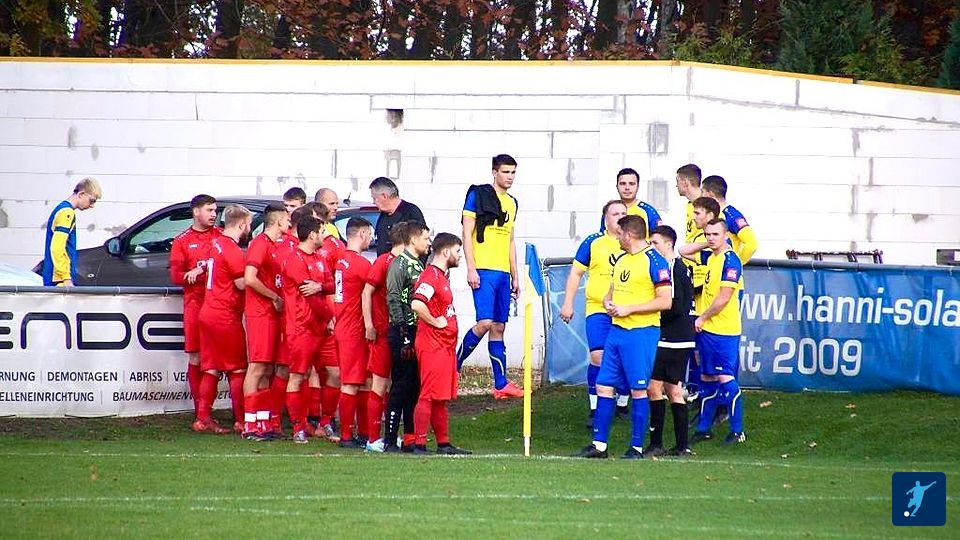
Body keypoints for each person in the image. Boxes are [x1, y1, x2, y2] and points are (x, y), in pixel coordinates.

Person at [576, 215, 672, 459]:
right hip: (616, 332)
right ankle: (599, 445)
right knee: (603, 385)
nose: (616, 238)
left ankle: (636, 447)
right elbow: (611, 291)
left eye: (619, 234)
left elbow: (665, 301)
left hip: (641, 333)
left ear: (628, 235)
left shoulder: (655, 260)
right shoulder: (621, 259)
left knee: (638, 389)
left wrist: (630, 309)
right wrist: (608, 301)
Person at [456, 154, 524, 398]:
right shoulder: (478, 195)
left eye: (513, 172)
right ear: (495, 172)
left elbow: (511, 240)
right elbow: (466, 233)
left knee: (499, 326)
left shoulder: (513, 203)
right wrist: (471, 268)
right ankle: (454, 366)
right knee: (484, 322)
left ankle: (501, 384)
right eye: (505, 172)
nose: (510, 177)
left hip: (503, 273)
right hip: (483, 270)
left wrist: (515, 275)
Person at [560, 200, 631, 427]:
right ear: (605, 218)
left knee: (625, 358)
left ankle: (622, 403)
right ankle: (595, 407)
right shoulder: (593, 242)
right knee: (598, 356)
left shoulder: (635, 243)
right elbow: (575, 273)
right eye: (615, 214)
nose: (620, 217)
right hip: (598, 309)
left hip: (627, 311)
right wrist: (568, 303)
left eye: (623, 213)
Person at [681, 219, 746, 446]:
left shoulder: (731, 261)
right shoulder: (711, 257)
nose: (711, 238)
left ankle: (737, 430)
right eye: (707, 234)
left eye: (715, 234)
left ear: (726, 235)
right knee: (706, 378)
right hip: (707, 329)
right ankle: (703, 429)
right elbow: (683, 250)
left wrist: (702, 317)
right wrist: (705, 243)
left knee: (725, 378)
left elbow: (724, 297)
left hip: (724, 331)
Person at [410, 232, 472, 455]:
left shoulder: (441, 277)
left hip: (444, 346)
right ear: (445, 252)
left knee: (440, 397)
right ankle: (419, 443)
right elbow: (417, 304)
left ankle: (443, 443)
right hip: (432, 344)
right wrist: (436, 322)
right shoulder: (430, 276)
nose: (460, 255)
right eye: (457, 251)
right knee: (428, 394)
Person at [195, 204, 253, 435]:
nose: (249, 229)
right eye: (249, 224)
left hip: (208, 311)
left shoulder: (215, 243)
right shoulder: (231, 249)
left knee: (210, 368)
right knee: (237, 368)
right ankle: (241, 420)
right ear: (242, 224)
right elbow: (241, 283)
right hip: (224, 315)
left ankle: (202, 418)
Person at [170, 194, 221, 429]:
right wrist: (194, 274)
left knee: (216, 360)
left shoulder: (220, 236)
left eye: (215, 210)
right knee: (197, 357)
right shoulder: (182, 241)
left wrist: (204, 271)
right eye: (209, 210)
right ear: (196, 212)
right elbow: (176, 276)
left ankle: (206, 414)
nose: (214, 215)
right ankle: (200, 412)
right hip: (194, 305)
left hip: (218, 306)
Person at [281, 215, 334, 443]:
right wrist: (330, 317)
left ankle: (325, 422)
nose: (325, 235)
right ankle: (298, 427)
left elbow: (332, 285)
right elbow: (309, 297)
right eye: (322, 232)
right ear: (312, 235)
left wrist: (320, 286)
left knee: (334, 373)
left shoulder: (320, 258)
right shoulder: (295, 260)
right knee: (297, 375)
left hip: (321, 327)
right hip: (302, 327)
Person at [645, 225, 696, 457]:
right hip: (679, 337)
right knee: (671, 389)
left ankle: (658, 443)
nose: (651, 247)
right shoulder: (678, 267)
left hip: (672, 338)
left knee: (655, 387)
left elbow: (674, 306)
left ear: (669, 244)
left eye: (655, 243)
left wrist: (651, 318)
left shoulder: (673, 267)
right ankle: (681, 445)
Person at [240, 203, 289, 440]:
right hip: (259, 313)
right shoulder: (260, 243)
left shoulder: (274, 245)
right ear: (278, 220)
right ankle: (249, 424)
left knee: (267, 369)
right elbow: (250, 278)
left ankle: (262, 422)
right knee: (257, 367)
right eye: (286, 219)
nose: (289, 223)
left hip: (271, 314)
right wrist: (274, 297)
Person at [383, 221, 431, 452]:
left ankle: (410, 438)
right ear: (413, 239)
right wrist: (402, 330)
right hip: (402, 330)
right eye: (425, 238)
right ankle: (390, 439)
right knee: (400, 386)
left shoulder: (419, 264)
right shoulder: (399, 264)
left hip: (417, 330)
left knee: (414, 386)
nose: (429, 243)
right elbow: (393, 297)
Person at [361, 223, 408, 452]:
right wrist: (369, 324)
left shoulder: (406, 264)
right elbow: (366, 292)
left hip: (399, 333)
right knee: (379, 383)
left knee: (393, 384)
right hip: (382, 332)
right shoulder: (383, 262)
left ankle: (390, 435)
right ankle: (372, 439)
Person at [333, 216, 375, 448]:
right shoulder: (360, 264)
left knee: (362, 381)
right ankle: (347, 435)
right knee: (350, 382)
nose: (371, 239)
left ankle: (363, 433)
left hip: (344, 325)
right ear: (361, 234)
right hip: (354, 330)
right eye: (370, 234)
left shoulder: (341, 260)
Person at [42, 177, 102, 287]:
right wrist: (65, 278)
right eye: (92, 200)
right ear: (81, 194)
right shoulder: (67, 213)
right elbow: (57, 248)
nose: (92, 205)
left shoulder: (62, 209)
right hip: (58, 280)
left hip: (56, 278)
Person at [701, 175, 758, 263]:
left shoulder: (731, 215)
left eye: (702, 192)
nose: (701, 196)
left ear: (710, 194)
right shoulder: (712, 214)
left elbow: (752, 243)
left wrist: (736, 263)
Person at [369, 177, 427, 255]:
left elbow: (421, 243)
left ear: (384, 196)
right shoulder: (383, 215)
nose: (373, 202)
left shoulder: (410, 212)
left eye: (374, 198)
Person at [599, 168, 663, 239]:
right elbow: (602, 238)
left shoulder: (648, 211)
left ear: (638, 186)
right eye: (623, 184)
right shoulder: (610, 210)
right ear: (617, 186)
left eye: (631, 184)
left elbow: (659, 240)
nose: (627, 188)